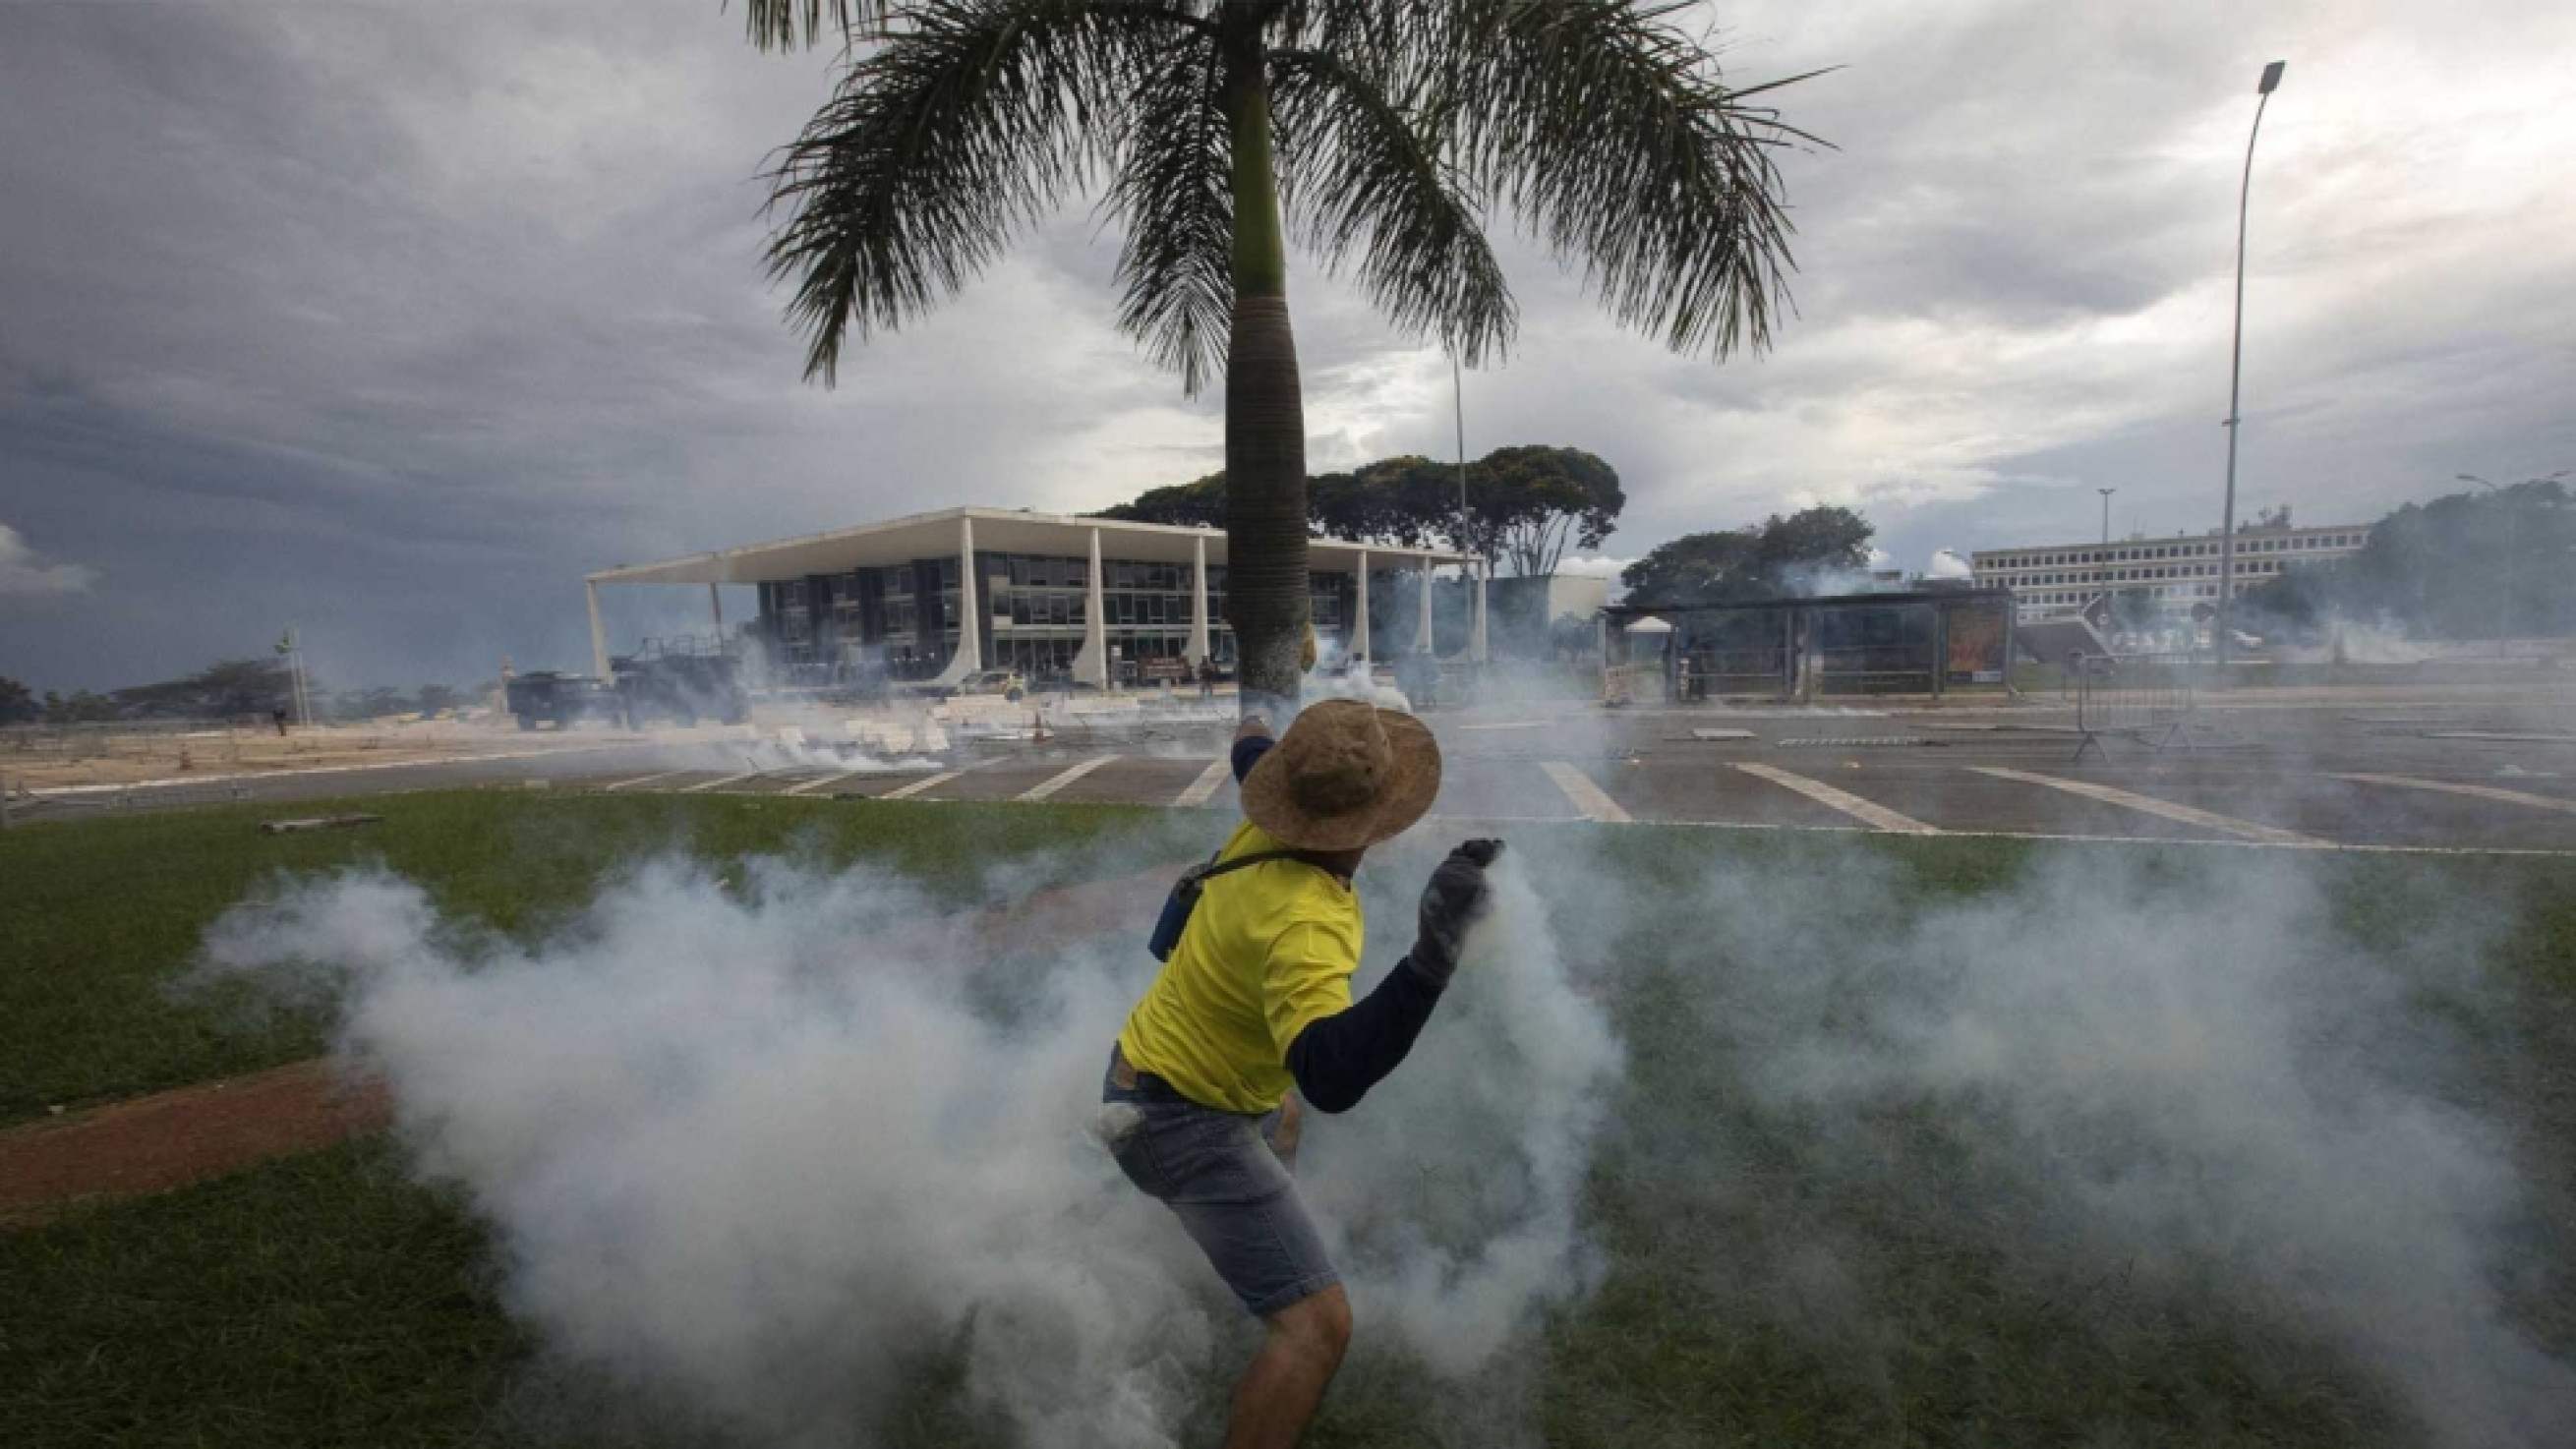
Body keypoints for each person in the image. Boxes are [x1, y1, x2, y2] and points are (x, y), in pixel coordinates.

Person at [1101, 700, 1499, 1449]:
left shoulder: (1272, 817)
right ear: (1377, 816)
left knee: (1281, 1114)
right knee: (1321, 1328)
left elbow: (1249, 746)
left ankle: (1257, 1241)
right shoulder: (1307, 920)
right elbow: (1330, 1074)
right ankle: (1276, 1285)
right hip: (1178, 1123)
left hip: (1141, 1067)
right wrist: (1434, 951)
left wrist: (1259, 707)